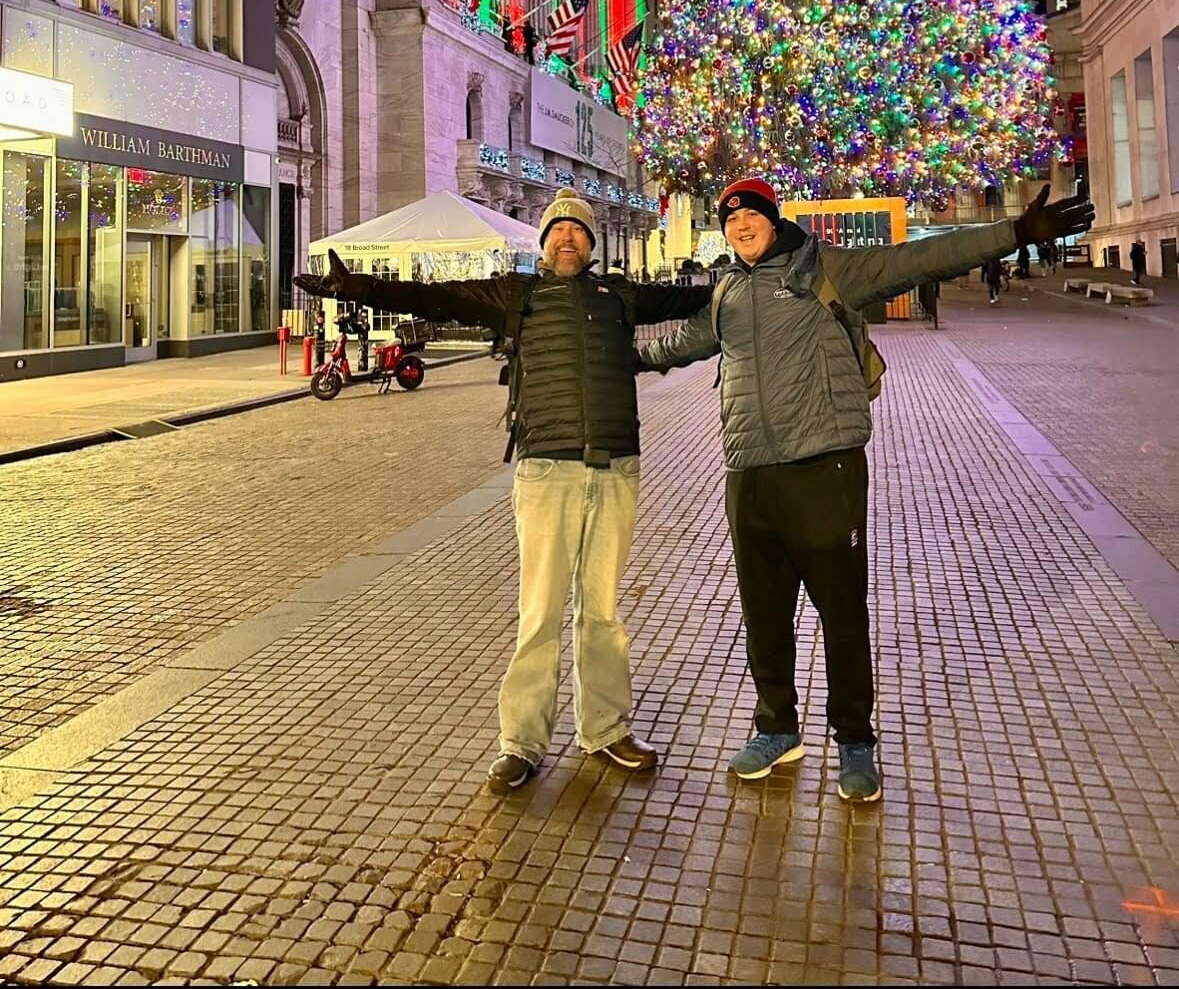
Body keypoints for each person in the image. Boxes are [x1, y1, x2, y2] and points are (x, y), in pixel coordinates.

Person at [637, 177, 1094, 802]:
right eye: (730, 220)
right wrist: (607, 352)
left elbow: (920, 259)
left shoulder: (826, 269)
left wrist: (1013, 233)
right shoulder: (728, 291)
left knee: (841, 613)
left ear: (773, 219)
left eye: (751, 216)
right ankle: (776, 729)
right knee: (764, 615)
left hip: (824, 466)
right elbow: (680, 343)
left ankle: (855, 739)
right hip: (749, 473)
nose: (740, 227)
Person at [294, 187, 712, 795]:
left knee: (602, 612)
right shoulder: (515, 294)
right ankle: (521, 742)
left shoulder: (619, 295)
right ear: (543, 242)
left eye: (578, 230)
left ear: (590, 243)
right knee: (540, 612)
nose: (567, 237)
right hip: (546, 469)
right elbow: (434, 296)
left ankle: (606, 727)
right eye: (558, 229)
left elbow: (697, 297)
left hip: (616, 466)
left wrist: (755, 277)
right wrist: (359, 287)